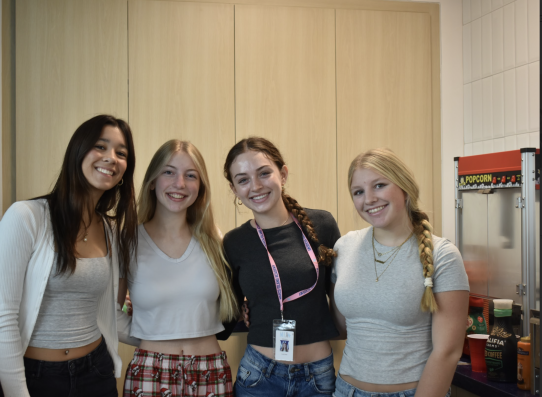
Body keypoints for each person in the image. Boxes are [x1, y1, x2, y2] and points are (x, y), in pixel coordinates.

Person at [0, 115, 140, 397]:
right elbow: (2, 317)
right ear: (77, 152)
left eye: (121, 153)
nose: (111, 158)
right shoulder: (26, 218)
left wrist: (173, 335)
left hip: (96, 374)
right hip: (35, 377)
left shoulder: (110, 230)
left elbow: (109, 316)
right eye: (100, 146)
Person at [331, 148, 469, 397]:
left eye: (379, 185)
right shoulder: (344, 247)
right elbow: (342, 327)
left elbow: (447, 352)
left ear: (404, 187)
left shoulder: (443, 255)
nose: (369, 199)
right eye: (358, 192)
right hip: (345, 390)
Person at [222, 137, 341, 397]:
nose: (255, 186)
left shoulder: (323, 225)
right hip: (259, 376)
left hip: (318, 378)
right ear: (234, 189)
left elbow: (343, 298)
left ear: (283, 174)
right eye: (242, 179)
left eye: (264, 173)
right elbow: (225, 317)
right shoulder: (234, 242)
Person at [122, 140, 239, 397]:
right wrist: (147, 332)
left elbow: (235, 301)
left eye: (191, 175)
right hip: (151, 371)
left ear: (200, 187)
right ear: (152, 181)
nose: (180, 184)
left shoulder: (216, 242)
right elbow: (107, 311)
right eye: (168, 172)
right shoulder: (128, 241)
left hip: (211, 370)